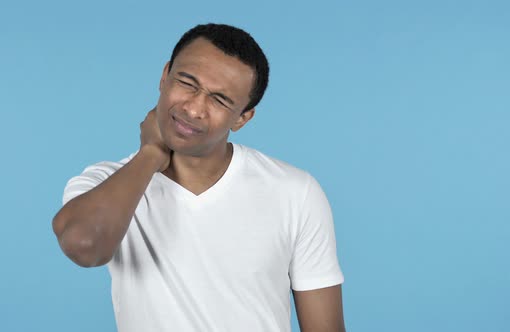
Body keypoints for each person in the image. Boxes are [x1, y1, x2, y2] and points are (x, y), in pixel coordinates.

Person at [52, 23, 345, 332]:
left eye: (219, 100)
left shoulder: (294, 192)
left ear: (243, 117)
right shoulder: (108, 183)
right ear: (165, 76)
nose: (194, 108)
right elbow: (84, 245)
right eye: (187, 83)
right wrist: (150, 154)